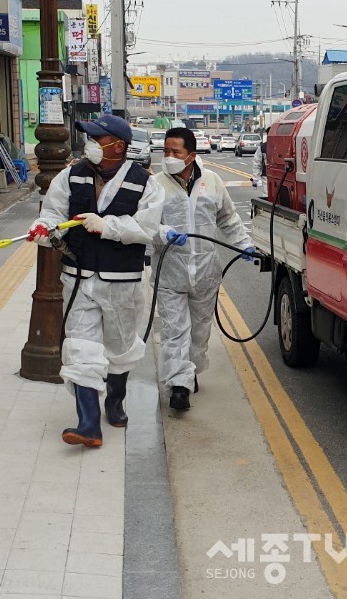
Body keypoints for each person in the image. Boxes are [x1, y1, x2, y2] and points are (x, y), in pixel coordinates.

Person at [27, 115, 164, 448]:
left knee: (120, 347)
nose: (90, 144)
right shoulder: (70, 175)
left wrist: (108, 227)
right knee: (80, 348)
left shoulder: (145, 183)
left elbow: (147, 229)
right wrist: (45, 229)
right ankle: (88, 424)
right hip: (79, 277)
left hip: (123, 281)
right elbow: (53, 212)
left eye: (96, 139)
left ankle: (115, 400)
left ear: (118, 146)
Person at [153, 127, 254, 411]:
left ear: (191, 155)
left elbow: (228, 219)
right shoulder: (156, 184)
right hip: (171, 271)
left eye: (175, 152)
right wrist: (163, 232)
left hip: (206, 271)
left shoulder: (212, 181)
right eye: (166, 151)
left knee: (199, 331)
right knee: (174, 330)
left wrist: (244, 244)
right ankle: (179, 386)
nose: (169, 157)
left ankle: (190, 371)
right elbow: (145, 223)